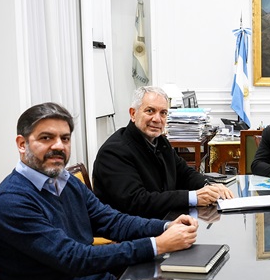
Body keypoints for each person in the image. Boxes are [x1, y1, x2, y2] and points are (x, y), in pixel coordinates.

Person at [0, 102, 199, 280]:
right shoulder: (11, 203)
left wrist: (166, 226)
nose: (59, 146)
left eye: (65, 138)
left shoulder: (65, 181)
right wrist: (157, 245)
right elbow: (74, 258)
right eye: (46, 138)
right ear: (21, 144)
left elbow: (113, 221)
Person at [93, 86, 233, 219]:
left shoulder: (160, 141)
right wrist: (192, 197)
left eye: (163, 113)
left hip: (162, 220)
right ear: (133, 114)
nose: (157, 119)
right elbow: (137, 202)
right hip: (132, 230)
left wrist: (209, 186)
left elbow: (184, 173)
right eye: (150, 111)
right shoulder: (114, 152)